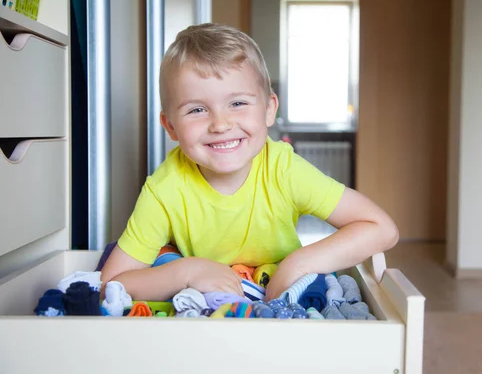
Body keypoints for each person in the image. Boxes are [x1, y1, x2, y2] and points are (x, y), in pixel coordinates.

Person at [100, 23, 398, 302]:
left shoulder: (283, 169)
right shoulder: (165, 188)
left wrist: (299, 263)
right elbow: (109, 283)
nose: (220, 124)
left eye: (238, 103)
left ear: (269, 110)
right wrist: (186, 272)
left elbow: (381, 228)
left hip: (276, 299)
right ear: (171, 127)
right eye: (197, 110)